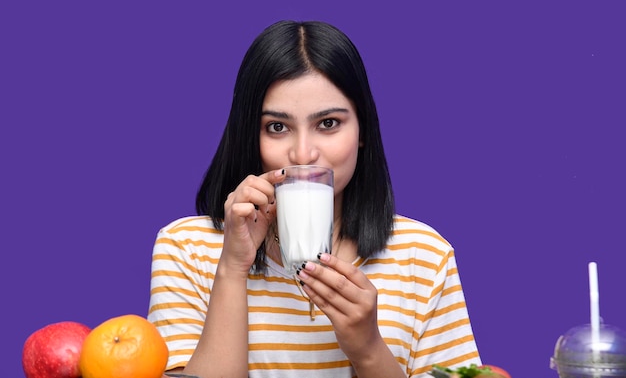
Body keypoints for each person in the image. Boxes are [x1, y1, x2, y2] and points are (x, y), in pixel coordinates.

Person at [147, 20, 481, 378]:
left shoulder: (425, 257)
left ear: (362, 130)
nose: (303, 154)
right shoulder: (187, 249)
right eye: (277, 127)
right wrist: (231, 269)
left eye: (328, 124)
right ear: (250, 136)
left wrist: (369, 351)